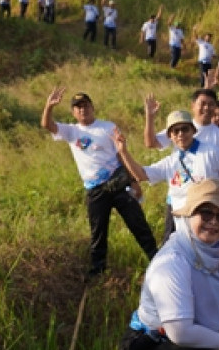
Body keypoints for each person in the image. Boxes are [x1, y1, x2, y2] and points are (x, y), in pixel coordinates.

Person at [118, 179, 219, 350]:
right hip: (148, 345)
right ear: (188, 215)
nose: (213, 222)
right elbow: (180, 331)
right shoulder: (172, 261)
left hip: (191, 338)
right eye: (206, 213)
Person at [41, 88, 157, 280]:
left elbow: (121, 154)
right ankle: (98, 271)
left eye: (85, 105)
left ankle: (156, 260)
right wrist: (49, 106)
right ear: (73, 112)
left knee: (138, 224)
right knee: (98, 232)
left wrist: (134, 181)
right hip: (95, 191)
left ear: (92, 107)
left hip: (119, 185)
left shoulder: (107, 127)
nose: (82, 110)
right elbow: (47, 125)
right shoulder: (71, 131)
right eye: (77, 107)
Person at [115, 110, 219, 245]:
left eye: (185, 129)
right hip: (181, 225)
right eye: (175, 131)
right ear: (170, 136)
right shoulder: (171, 161)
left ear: (193, 130)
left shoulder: (211, 152)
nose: (180, 134)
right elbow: (141, 175)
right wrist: (123, 152)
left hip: (207, 224)